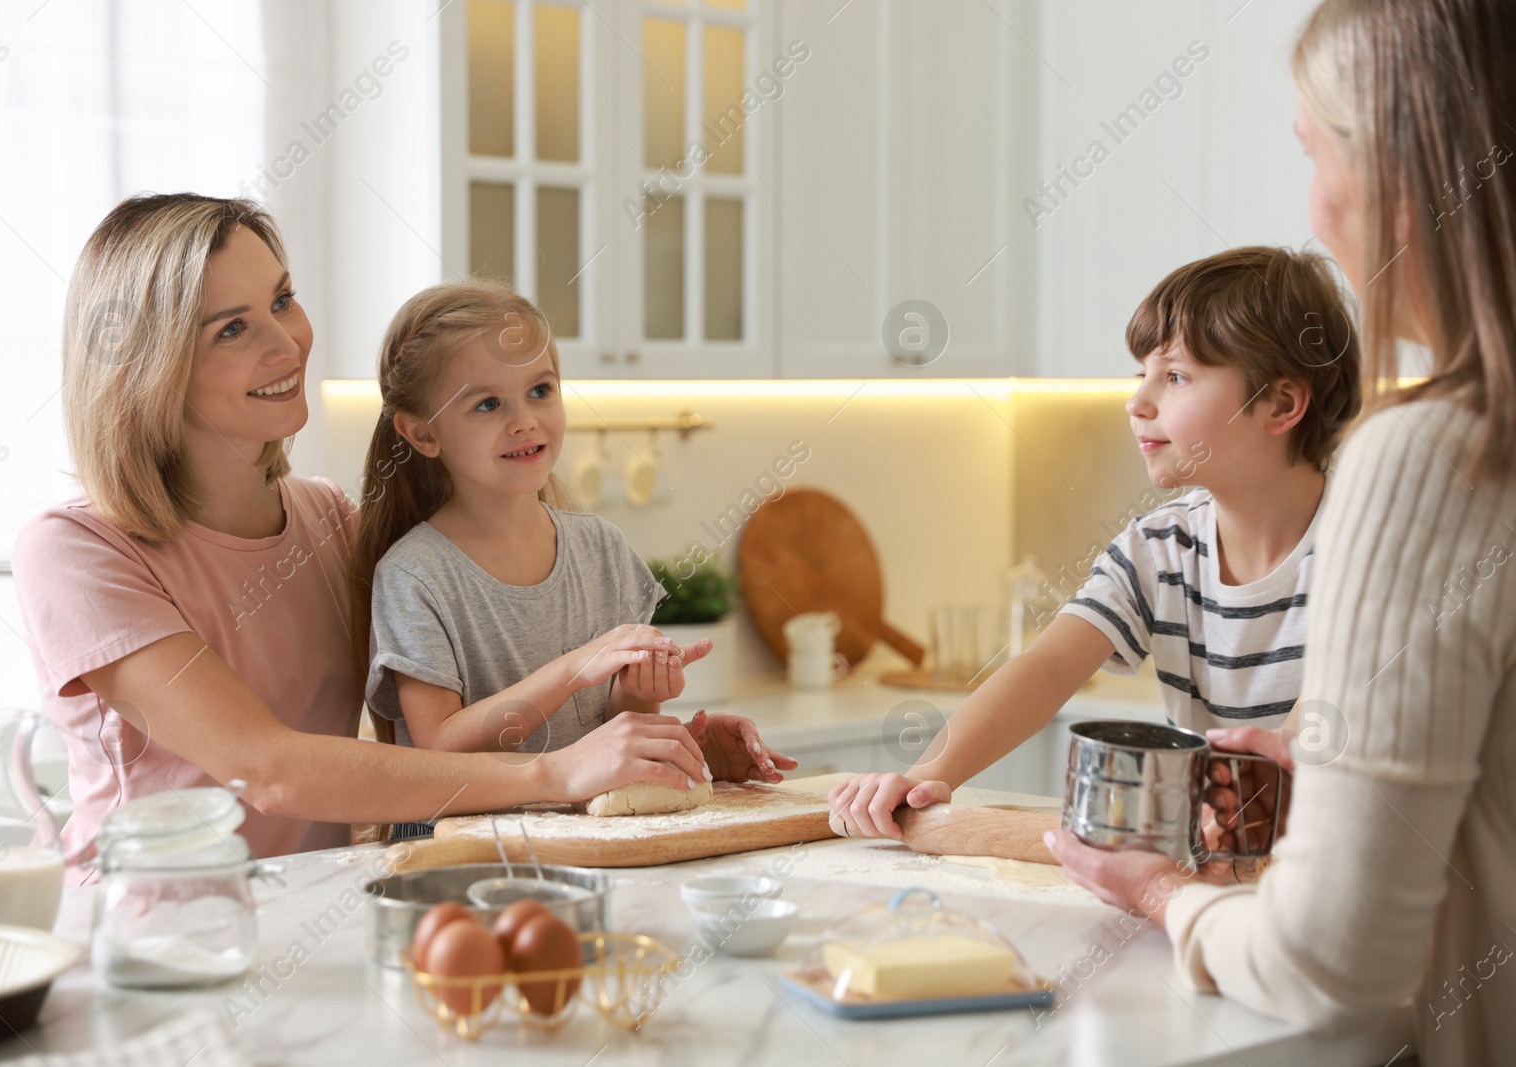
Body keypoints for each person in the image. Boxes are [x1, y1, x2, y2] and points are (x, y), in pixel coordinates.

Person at [1046, 2, 1516, 1063]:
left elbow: (1332, 970)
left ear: (1403, 175)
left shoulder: (1436, 456)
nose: (1314, 200)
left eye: (1315, 150)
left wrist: (1165, 894)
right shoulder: (1165, 543)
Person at [12, 194, 709, 868]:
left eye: (283, 300)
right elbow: (269, 769)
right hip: (145, 939)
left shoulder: (331, 521)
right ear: (147, 368)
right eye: (232, 327)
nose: (287, 342)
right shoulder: (75, 551)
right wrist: (559, 772)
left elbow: (416, 750)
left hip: (317, 915)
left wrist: (650, 748)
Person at [831, 246, 1359, 840]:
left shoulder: (1368, 550)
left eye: (1177, 377)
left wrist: (1246, 801)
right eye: (1142, 375)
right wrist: (929, 777)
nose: (1137, 403)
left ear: (1281, 404)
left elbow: (1316, 715)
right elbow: (1048, 668)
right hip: (1222, 854)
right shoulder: (1159, 547)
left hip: (1335, 863)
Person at [349, 282, 795, 838]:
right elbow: (439, 745)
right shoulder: (415, 575)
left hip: (579, 847)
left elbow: (607, 734)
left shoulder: (602, 550)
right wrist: (576, 667)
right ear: (422, 432)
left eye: (540, 390)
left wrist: (647, 700)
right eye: (488, 404)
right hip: (456, 862)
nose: (524, 420)